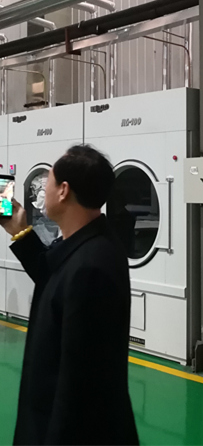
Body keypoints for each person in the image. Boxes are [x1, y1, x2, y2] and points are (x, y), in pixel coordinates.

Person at [0, 145, 139, 446]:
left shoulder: (92, 267)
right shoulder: (88, 243)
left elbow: (78, 389)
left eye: (47, 181)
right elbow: (54, 274)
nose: (43, 190)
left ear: (63, 190)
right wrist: (20, 232)